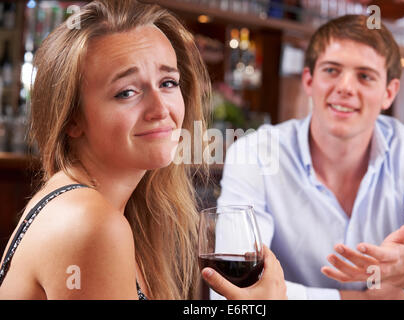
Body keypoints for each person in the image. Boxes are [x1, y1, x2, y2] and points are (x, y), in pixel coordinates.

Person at [0, 0, 286, 300]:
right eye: (127, 92)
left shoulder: (98, 207)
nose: (161, 109)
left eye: (168, 82)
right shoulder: (90, 224)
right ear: (72, 119)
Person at [217, 15, 404, 300]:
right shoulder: (254, 153)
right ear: (309, 80)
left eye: (365, 76)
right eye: (332, 70)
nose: (345, 87)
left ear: (389, 93)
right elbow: (234, 288)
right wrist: (359, 299)